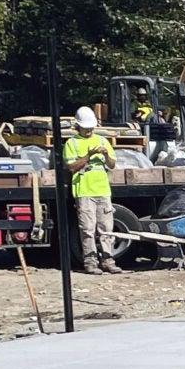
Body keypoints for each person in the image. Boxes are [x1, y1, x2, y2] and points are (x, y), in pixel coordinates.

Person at [63, 106, 119, 274]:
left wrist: (106, 155)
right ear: (78, 126)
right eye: (85, 128)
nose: (88, 131)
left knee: (106, 228)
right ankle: (90, 261)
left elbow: (112, 164)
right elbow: (71, 166)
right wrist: (88, 156)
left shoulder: (102, 141)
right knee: (87, 228)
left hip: (102, 190)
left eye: (90, 128)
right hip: (84, 191)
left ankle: (108, 260)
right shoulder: (71, 143)